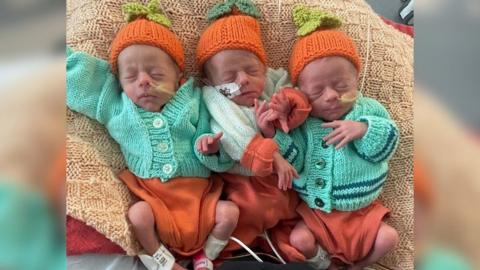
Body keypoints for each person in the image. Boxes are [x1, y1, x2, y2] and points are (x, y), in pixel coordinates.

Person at [66, 1, 239, 269]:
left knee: (230, 213)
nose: (143, 81)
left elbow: (219, 141)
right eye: (131, 77)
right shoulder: (117, 107)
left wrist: (212, 150)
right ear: (120, 84)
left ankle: (208, 255)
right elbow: (81, 81)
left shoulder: (195, 101)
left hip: (199, 197)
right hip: (154, 198)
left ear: (179, 77)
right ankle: (159, 256)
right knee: (138, 216)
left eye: (156, 73)